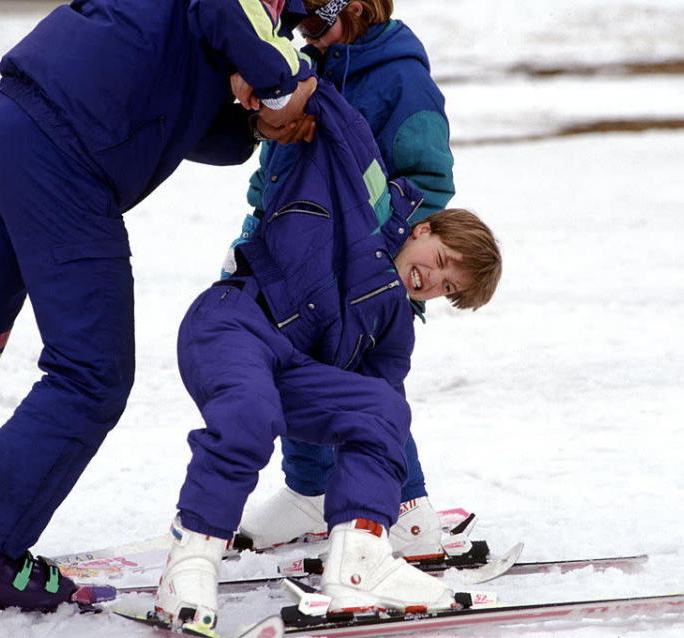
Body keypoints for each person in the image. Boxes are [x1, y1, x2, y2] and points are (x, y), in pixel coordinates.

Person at [0, 0, 318, 618]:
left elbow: (198, 126)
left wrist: (251, 112)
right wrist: (289, 82)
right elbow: (244, 28)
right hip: (62, 158)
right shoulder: (247, 15)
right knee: (91, 373)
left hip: (2, 126)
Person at [156, 82, 501, 631]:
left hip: (287, 369)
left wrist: (410, 508)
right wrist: (289, 55)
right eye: (440, 261)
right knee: (248, 414)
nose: (430, 279)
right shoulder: (361, 196)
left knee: (382, 410)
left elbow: (386, 418)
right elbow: (321, 100)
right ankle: (192, 561)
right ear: (423, 226)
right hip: (234, 321)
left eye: (444, 287)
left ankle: (358, 565)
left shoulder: (391, 323)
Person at [233, 0, 458, 560]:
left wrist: (375, 252)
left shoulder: (402, 78)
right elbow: (277, 166)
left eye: (316, 24)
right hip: (293, 256)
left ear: (355, 7)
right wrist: (253, 234)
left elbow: (430, 180)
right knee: (292, 367)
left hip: (361, 270)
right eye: (300, 26)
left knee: (365, 388)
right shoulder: (318, 68)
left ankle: (407, 508)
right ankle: (309, 490)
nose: (311, 37)